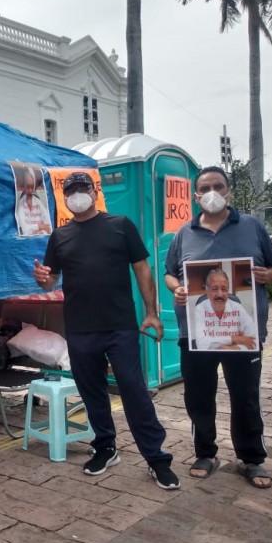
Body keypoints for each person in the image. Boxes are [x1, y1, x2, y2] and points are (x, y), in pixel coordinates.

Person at [33, 171, 180, 490]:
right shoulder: (60, 236)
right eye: (70, 190)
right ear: (65, 197)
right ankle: (105, 447)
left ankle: (156, 458)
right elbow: (49, 280)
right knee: (92, 391)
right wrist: (41, 277)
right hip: (80, 327)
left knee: (133, 389)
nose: (76, 194)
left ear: (94, 191)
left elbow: (142, 268)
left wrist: (152, 313)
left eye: (82, 188)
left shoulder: (120, 224)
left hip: (119, 326)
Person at [165, 166, 272, 489]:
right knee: (198, 395)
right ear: (195, 195)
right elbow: (170, 273)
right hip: (197, 334)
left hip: (242, 333)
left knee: (245, 396)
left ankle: (251, 458)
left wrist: (266, 276)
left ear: (228, 190)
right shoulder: (183, 233)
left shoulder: (251, 227)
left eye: (218, 185)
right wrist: (176, 288)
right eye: (205, 187)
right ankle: (205, 453)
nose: (212, 192)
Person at [193, 268, 258, 351]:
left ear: (228, 291)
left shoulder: (237, 307)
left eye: (224, 289)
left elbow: (254, 339)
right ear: (207, 291)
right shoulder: (200, 309)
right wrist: (233, 339)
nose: (220, 294)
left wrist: (235, 348)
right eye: (215, 289)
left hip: (234, 355)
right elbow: (201, 344)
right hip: (209, 358)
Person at [15, 168, 52, 236]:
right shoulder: (20, 205)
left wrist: (41, 232)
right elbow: (25, 230)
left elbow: (49, 227)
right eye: (28, 187)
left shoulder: (38, 202)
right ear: (24, 187)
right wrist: (39, 226)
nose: (30, 190)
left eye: (32, 187)